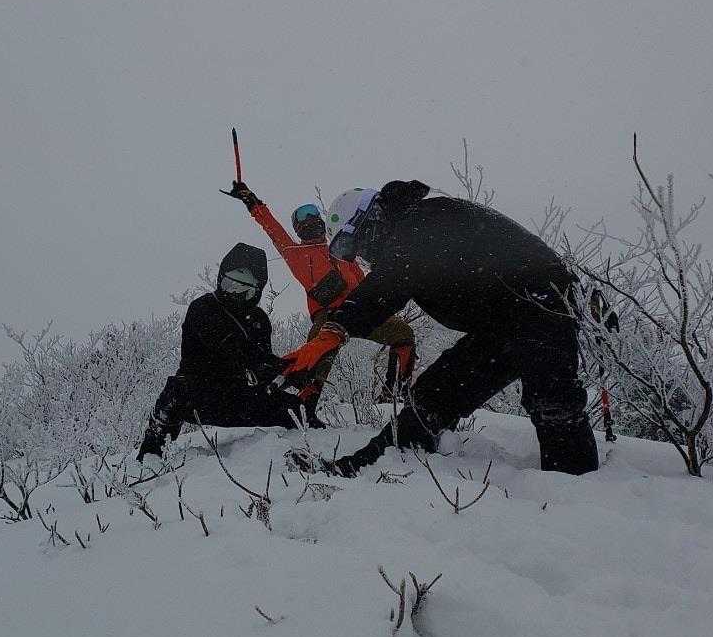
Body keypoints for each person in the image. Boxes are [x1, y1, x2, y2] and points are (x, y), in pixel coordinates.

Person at [282, 180, 598, 476]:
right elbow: (393, 278)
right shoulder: (410, 232)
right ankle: (367, 466)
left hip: (542, 305)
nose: (362, 255)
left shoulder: (422, 220)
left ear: (371, 222)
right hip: (504, 324)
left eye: (358, 244)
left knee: (553, 401)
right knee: (434, 395)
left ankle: (576, 495)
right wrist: (337, 329)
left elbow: (385, 286)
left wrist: (335, 330)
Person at [227, 182, 417, 422]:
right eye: (303, 218)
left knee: (403, 334)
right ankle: (304, 410)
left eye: (313, 214)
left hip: (360, 309)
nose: (310, 220)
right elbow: (273, 229)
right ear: (297, 229)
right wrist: (253, 203)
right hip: (327, 315)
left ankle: (395, 394)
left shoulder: (342, 248)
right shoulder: (294, 252)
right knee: (317, 357)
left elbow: (364, 280)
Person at [136, 243, 302, 461]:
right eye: (229, 284)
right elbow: (227, 349)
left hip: (242, 397)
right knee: (176, 390)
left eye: (243, 290)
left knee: (297, 409)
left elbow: (261, 359)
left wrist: (293, 370)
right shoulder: (202, 308)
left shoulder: (259, 320)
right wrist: (266, 367)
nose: (233, 294)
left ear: (256, 291)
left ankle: (314, 444)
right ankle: (150, 455)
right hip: (202, 396)